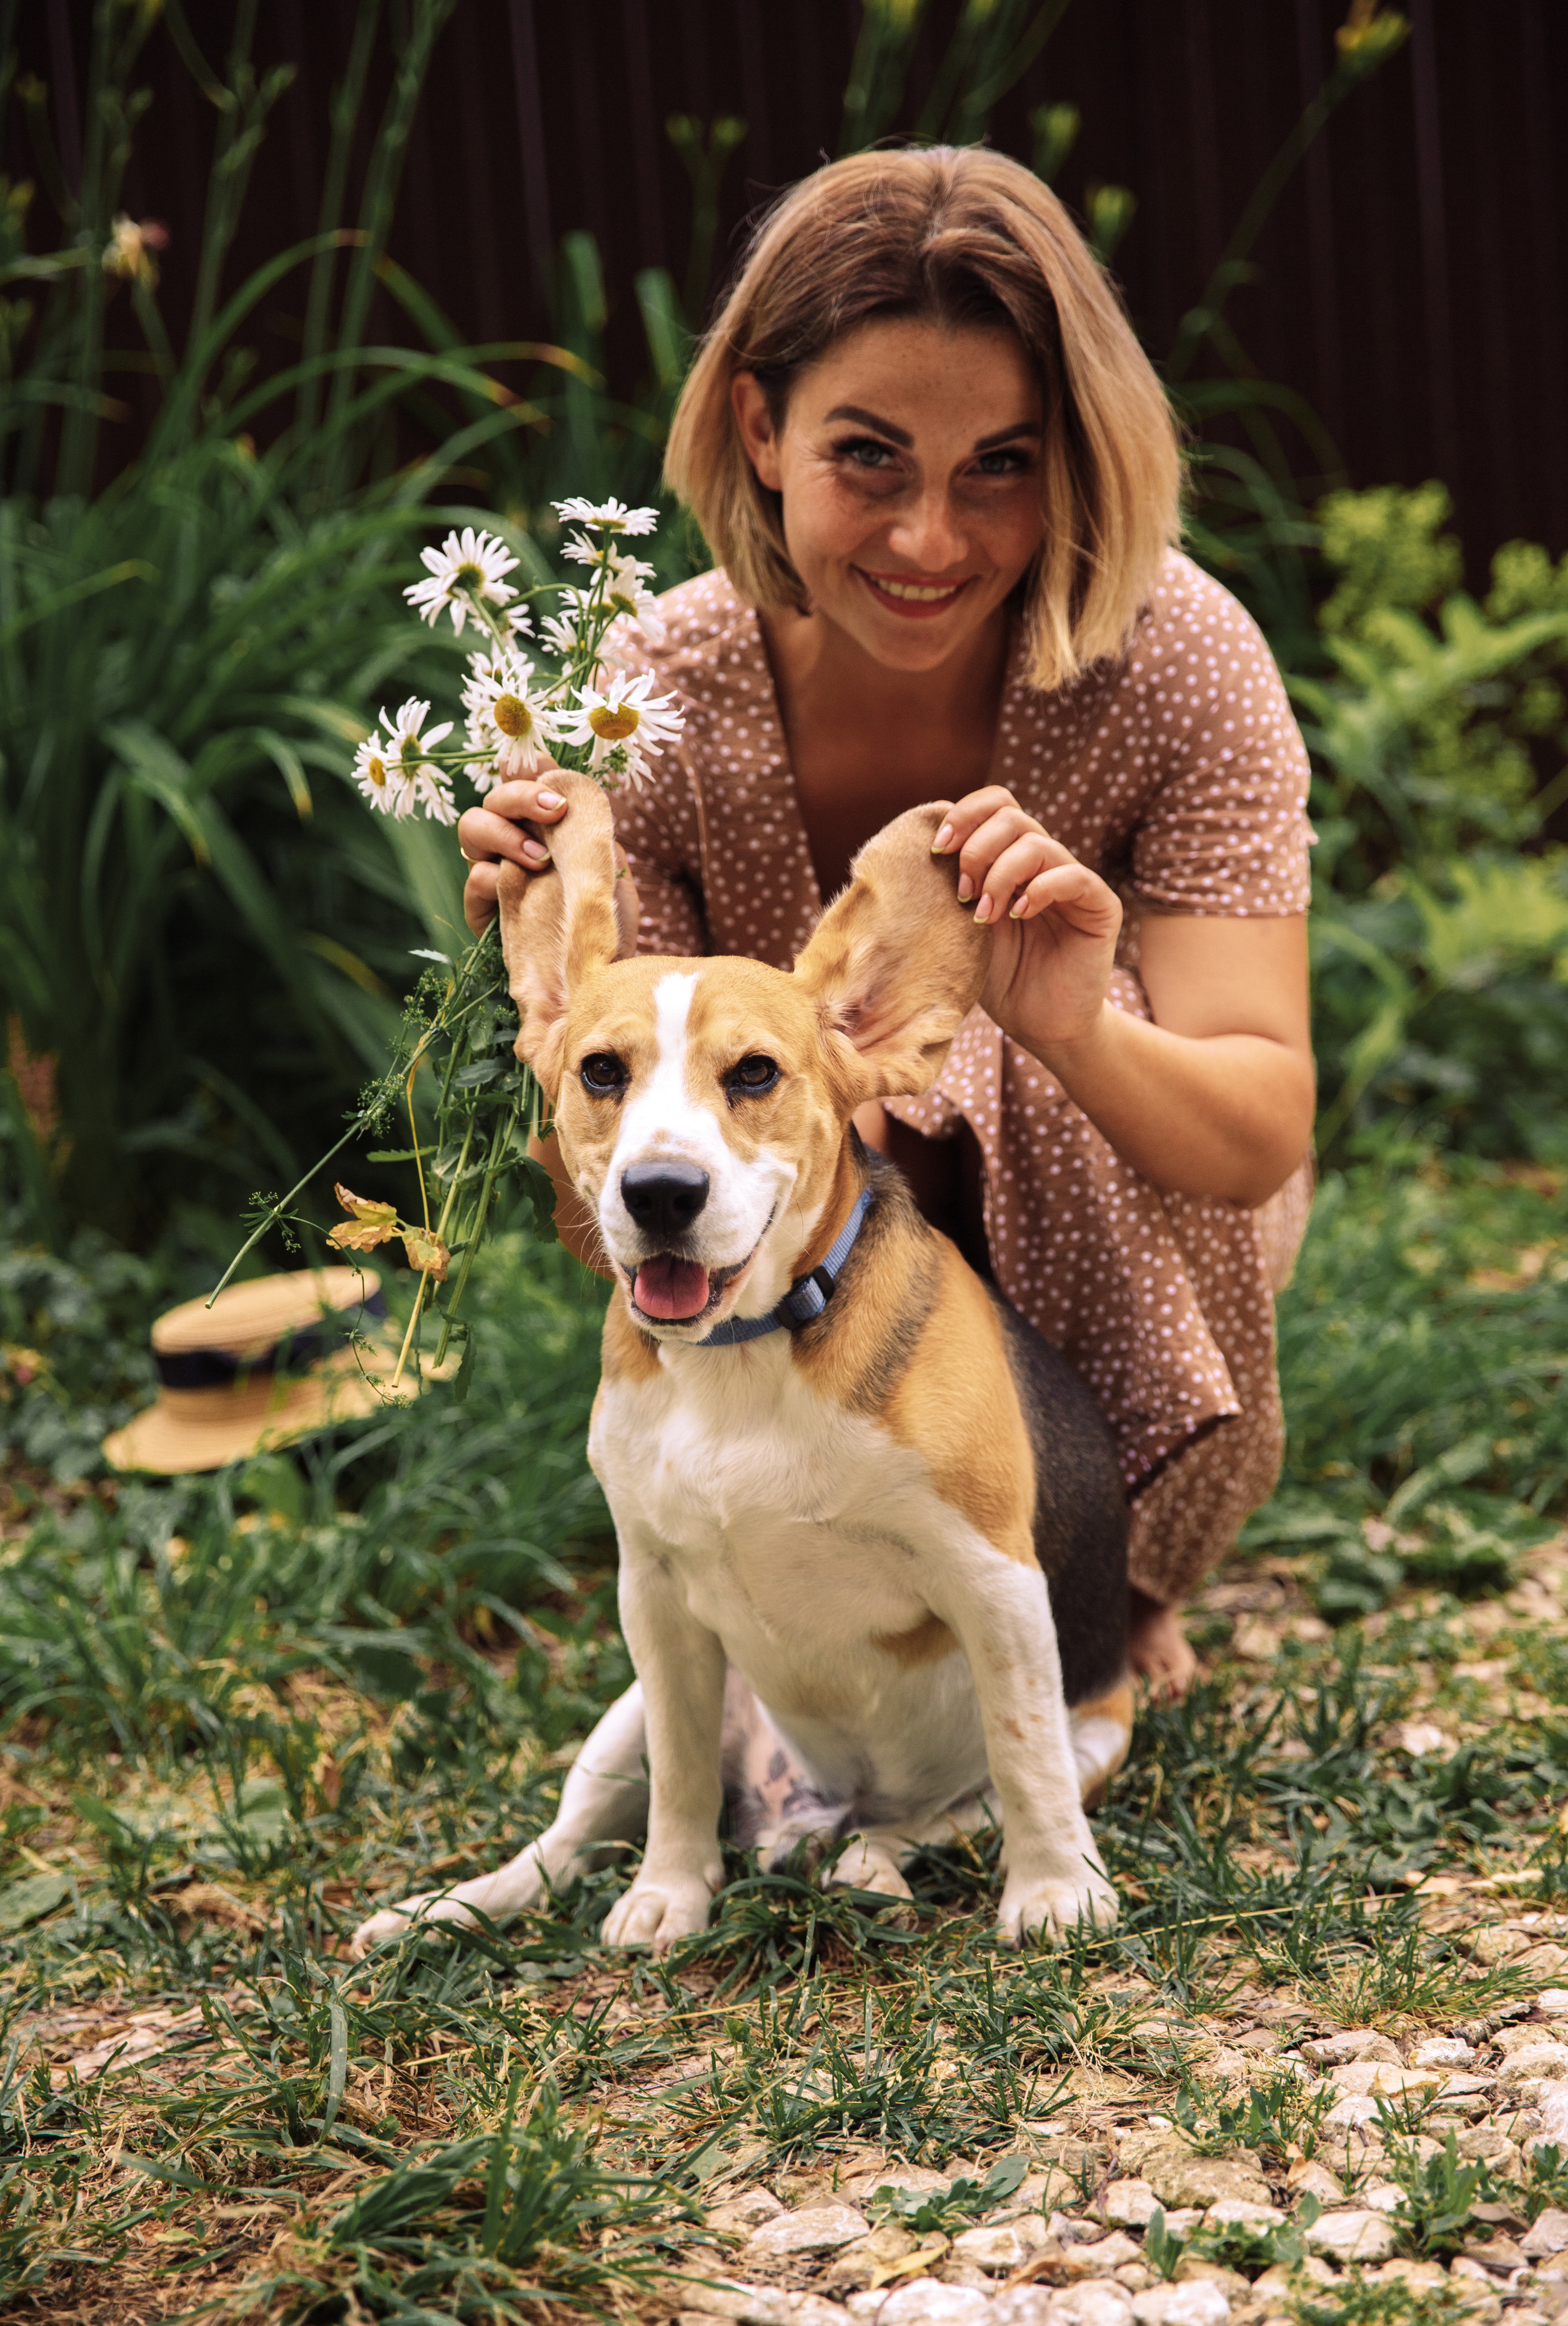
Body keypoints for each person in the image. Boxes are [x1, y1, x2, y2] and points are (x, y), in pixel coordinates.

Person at [457, 147, 1316, 1701]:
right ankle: (815, 1555)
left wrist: (1066, 1025)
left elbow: (1259, 1130)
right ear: (759, 427)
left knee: (991, 1061)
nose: (931, 538)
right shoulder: (645, 704)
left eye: (1001, 464)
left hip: (1123, 1185)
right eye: (868, 457)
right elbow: (610, 1193)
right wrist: (540, 979)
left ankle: (1099, 1562)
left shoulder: (1176, 659)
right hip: (785, 1252)